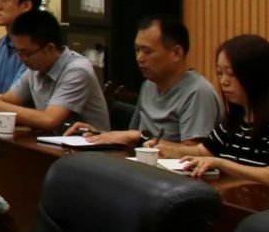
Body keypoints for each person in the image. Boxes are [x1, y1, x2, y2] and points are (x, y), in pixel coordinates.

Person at [67, 15, 219, 147]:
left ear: (176, 53)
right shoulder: (149, 85)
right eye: (137, 50)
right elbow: (132, 137)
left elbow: (194, 153)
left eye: (147, 51)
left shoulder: (198, 93)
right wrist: (99, 135)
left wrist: (138, 137)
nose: (139, 58)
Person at [164, 33, 269, 188]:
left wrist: (221, 163)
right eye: (220, 73)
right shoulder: (234, 120)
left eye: (231, 74)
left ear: (258, 75)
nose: (223, 81)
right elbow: (203, 152)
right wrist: (165, 150)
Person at [0, 10, 111, 132]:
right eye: (18, 52)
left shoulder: (77, 70)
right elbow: (7, 100)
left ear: (49, 48)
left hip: (91, 148)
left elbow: (49, 119)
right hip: (52, 143)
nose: (22, 58)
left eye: (26, 53)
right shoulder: (35, 68)